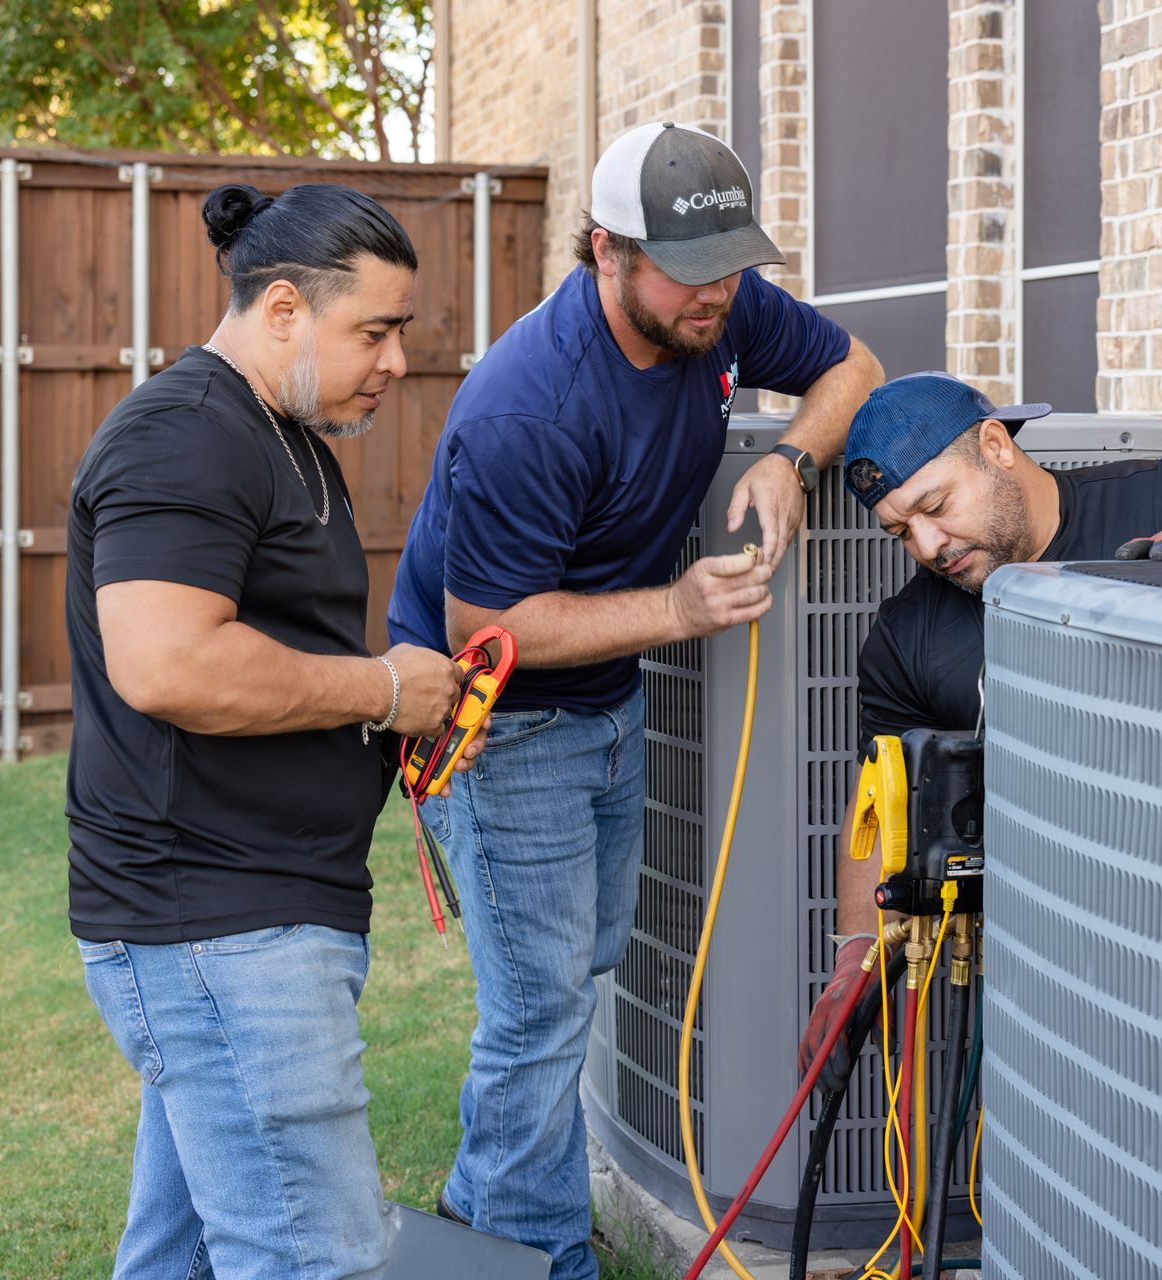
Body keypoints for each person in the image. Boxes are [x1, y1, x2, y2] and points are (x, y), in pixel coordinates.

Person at [387, 122, 883, 1277]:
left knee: (581, 967)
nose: (722, 293)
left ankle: (481, 1224)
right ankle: (529, 1254)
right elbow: (484, 630)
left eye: (734, 265)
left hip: (608, 705)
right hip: (499, 723)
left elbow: (851, 366)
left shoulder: (717, 305)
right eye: (690, 268)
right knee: (538, 1011)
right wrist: (679, 610)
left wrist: (792, 457)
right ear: (606, 251)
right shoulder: (532, 401)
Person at [66, 182, 482, 1280]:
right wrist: (381, 692)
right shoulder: (186, 438)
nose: (397, 360)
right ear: (286, 307)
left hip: (243, 917)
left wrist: (402, 718)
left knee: (180, 1255)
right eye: (377, 331)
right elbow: (168, 661)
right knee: (313, 1256)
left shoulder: (282, 434)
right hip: (215, 924)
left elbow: (277, 659)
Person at [797, 371, 1162, 1086]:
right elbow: (883, 793)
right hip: (1053, 961)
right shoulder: (907, 638)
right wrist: (855, 952)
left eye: (935, 506)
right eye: (899, 531)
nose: (926, 544)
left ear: (995, 445)